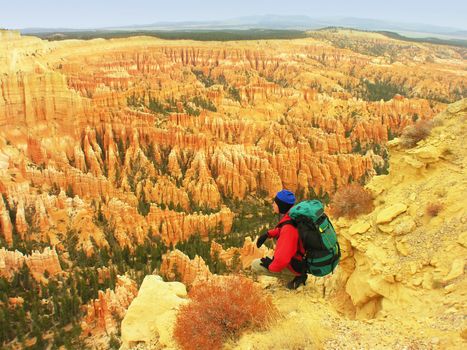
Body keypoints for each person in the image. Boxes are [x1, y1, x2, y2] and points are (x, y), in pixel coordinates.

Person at [251, 189, 308, 289]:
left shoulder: (288, 230)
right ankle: (295, 275)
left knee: (255, 265)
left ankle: (294, 277)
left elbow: (281, 261)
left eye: (275, 202)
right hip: (300, 260)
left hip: (295, 267)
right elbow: (285, 228)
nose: (273, 204)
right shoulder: (294, 216)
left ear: (281, 206)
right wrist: (268, 234)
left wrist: (270, 265)